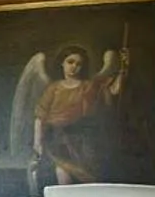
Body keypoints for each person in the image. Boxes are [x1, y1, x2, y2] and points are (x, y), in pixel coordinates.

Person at [31, 44, 127, 184]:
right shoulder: (54, 88)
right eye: (70, 62)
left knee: (84, 180)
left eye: (78, 64)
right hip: (57, 143)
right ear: (62, 63)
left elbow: (113, 91)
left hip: (82, 144)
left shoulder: (88, 86)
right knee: (61, 172)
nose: (74, 67)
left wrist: (123, 69)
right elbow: (40, 117)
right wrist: (37, 142)